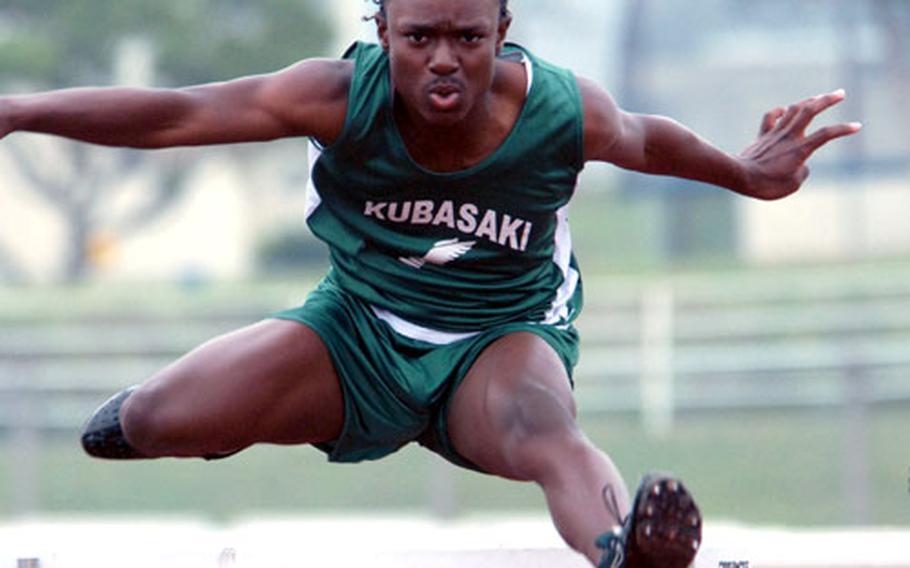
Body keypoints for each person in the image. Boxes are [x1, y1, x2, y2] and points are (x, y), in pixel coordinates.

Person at [0, 0, 861, 566]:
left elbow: (647, 138)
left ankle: (621, 551)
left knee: (541, 425)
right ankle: (229, 410)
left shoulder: (561, 111)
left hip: (500, 338)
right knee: (141, 424)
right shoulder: (334, 97)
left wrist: (746, 174)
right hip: (359, 332)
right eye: (420, 39)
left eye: (467, 38)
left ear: (502, 30)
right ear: (382, 34)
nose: (444, 62)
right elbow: (176, 113)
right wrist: (20, 111)